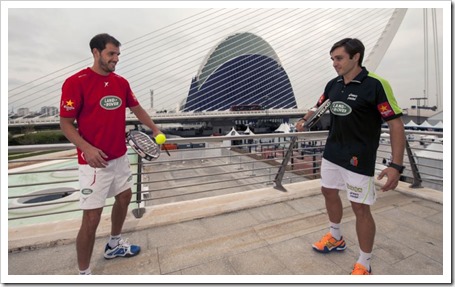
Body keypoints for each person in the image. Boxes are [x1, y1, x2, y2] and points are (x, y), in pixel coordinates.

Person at [296, 38, 405, 275]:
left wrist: (396, 165)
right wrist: (305, 120)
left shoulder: (376, 85)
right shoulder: (333, 84)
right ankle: (336, 237)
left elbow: (396, 125)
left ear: (355, 57)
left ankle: (364, 263)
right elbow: (319, 106)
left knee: (360, 208)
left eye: (339, 58)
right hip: (333, 152)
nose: (334, 63)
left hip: (359, 158)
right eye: (333, 59)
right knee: (328, 191)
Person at [59, 33, 162, 275]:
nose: (116, 59)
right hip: (93, 162)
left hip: (119, 157)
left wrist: (155, 128)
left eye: (118, 54)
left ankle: (114, 244)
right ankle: (84, 274)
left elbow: (136, 108)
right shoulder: (76, 82)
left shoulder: (121, 83)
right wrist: (87, 148)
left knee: (125, 197)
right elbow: (65, 124)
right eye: (111, 54)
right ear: (96, 52)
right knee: (92, 218)